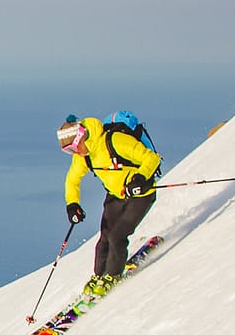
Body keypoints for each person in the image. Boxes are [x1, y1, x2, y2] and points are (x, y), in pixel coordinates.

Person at [58, 114, 160, 297]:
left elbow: (151, 158)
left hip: (141, 195)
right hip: (115, 195)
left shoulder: (115, 141)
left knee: (117, 236)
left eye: (74, 148)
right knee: (105, 236)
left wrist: (140, 178)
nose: (75, 153)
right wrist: (72, 204)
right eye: (69, 151)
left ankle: (112, 276)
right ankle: (99, 276)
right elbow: (72, 180)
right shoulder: (84, 156)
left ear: (82, 137)